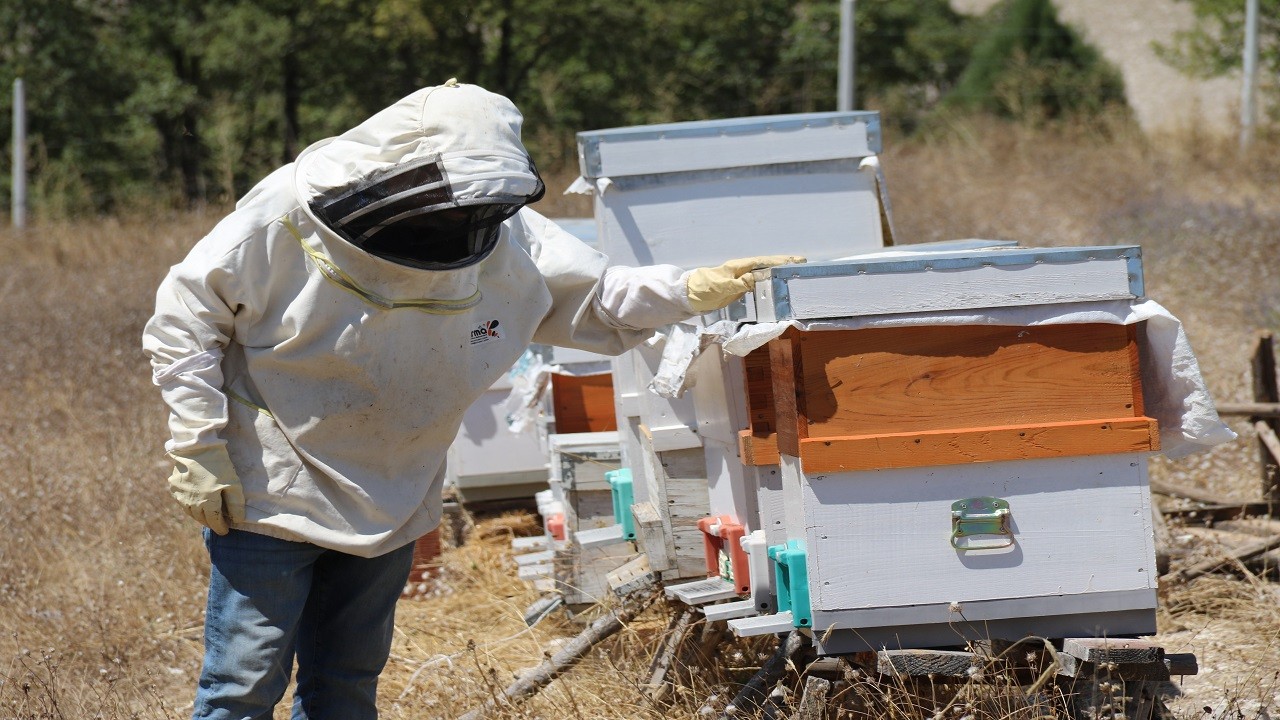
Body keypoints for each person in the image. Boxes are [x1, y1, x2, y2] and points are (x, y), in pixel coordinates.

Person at [142, 78, 801, 720]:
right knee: (242, 687)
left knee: (345, 685)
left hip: (396, 488)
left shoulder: (501, 228)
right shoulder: (282, 213)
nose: (460, 226)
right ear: (400, 177)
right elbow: (185, 317)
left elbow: (595, 295)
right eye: (451, 209)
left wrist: (688, 289)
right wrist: (200, 446)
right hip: (271, 485)